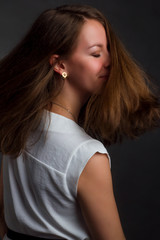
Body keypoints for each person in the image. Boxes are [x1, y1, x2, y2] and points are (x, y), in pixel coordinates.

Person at [0, 4, 160, 240]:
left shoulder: (16, 126)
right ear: (60, 64)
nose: (109, 62)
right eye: (96, 53)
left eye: (109, 50)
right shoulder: (86, 154)